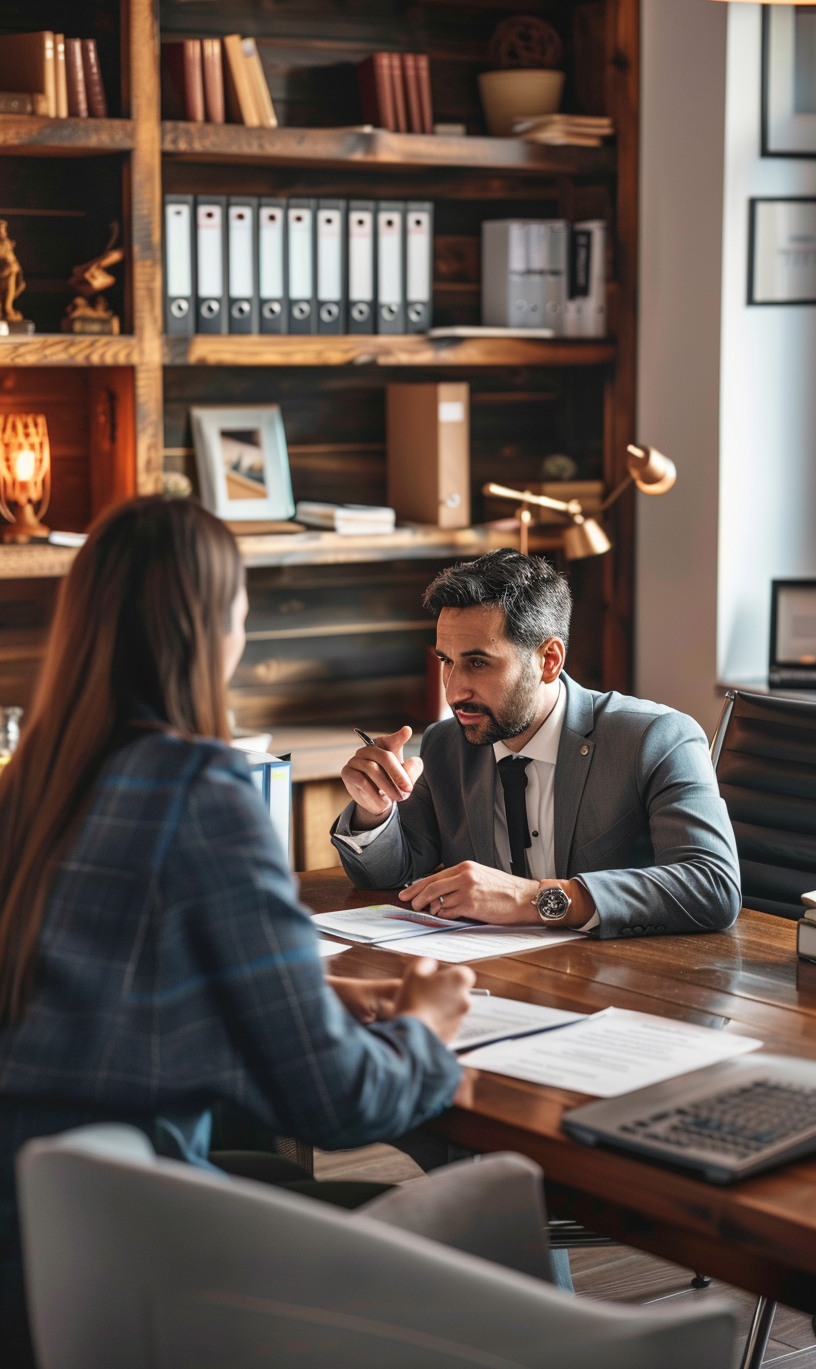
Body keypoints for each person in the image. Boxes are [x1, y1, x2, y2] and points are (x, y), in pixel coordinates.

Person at [0, 496, 475, 1366]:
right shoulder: (202, 791)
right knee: (487, 1215)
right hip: (140, 1247)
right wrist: (427, 1024)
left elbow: (92, 976)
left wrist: (316, 988)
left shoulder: (29, 787)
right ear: (212, 629)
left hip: (33, 1239)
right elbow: (338, 1103)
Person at [333, 549, 741, 938]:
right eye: (446, 661)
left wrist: (531, 899)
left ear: (548, 661)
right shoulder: (446, 744)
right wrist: (375, 812)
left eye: (478, 662)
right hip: (495, 977)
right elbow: (391, 874)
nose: (454, 690)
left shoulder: (656, 739)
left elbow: (711, 885)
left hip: (632, 983)